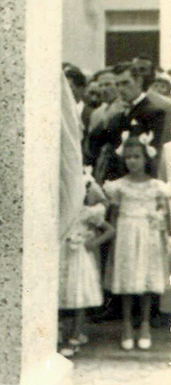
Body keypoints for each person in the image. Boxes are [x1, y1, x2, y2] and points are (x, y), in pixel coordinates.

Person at [104, 136, 170, 351]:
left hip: (148, 234)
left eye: (137, 157)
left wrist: (160, 221)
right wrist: (113, 241)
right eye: (128, 157)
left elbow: (163, 211)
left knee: (146, 277)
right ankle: (126, 325)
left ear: (145, 158)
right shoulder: (119, 186)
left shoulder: (156, 186)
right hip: (126, 233)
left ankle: (144, 324)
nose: (132, 161)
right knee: (127, 277)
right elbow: (113, 217)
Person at [58, 170, 115, 357]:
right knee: (60, 294)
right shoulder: (60, 211)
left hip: (79, 258)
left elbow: (109, 230)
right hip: (61, 256)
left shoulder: (87, 212)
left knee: (78, 295)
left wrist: (93, 243)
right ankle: (60, 331)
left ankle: (75, 335)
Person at [88, 62, 171, 183]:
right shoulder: (118, 114)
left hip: (138, 182)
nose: (121, 89)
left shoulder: (153, 112)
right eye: (118, 85)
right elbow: (94, 143)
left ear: (138, 82)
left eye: (125, 83)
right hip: (114, 181)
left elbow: (151, 156)